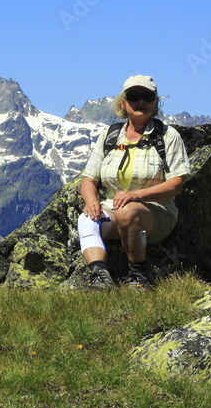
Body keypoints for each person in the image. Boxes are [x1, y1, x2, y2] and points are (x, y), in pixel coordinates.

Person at [77, 75, 192, 289]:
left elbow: (176, 184)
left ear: (156, 103)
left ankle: (137, 276)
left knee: (128, 211)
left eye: (147, 96)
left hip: (156, 212)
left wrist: (136, 195)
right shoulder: (110, 136)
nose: (141, 101)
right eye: (133, 96)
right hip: (113, 208)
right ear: (123, 103)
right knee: (87, 219)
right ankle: (100, 276)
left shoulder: (168, 136)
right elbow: (89, 179)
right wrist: (91, 202)